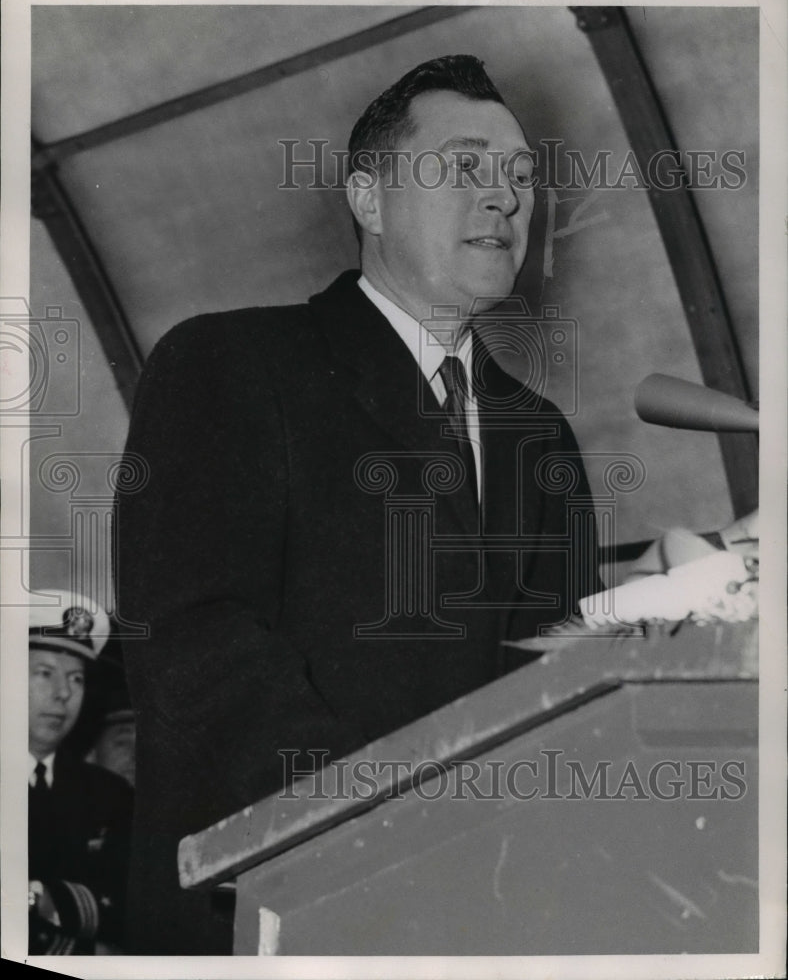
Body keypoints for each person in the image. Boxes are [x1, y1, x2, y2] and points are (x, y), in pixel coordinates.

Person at [115, 55, 601, 954]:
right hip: (276, 906)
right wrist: (380, 823)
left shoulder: (543, 437)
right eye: (464, 167)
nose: (505, 198)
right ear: (369, 200)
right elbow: (195, 642)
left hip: (481, 913)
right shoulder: (229, 366)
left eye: (521, 177)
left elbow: (555, 680)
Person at [28, 590, 133, 954]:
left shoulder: (110, 794)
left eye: (76, 679)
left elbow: (131, 910)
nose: (63, 694)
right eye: (45, 673)